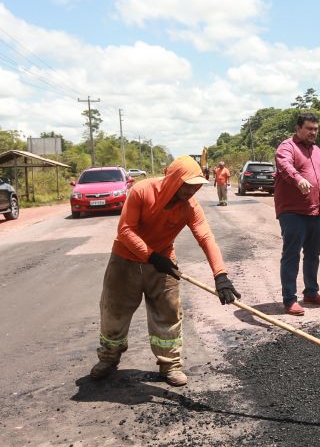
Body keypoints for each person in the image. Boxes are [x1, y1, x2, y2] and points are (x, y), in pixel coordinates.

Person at [89, 155, 241, 386]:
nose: (192, 191)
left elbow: (205, 237)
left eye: (196, 186)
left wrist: (221, 276)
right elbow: (125, 231)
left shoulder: (189, 207)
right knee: (114, 312)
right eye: (188, 185)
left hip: (163, 264)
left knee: (168, 313)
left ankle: (170, 365)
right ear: (174, 180)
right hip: (125, 260)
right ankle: (109, 358)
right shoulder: (142, 191)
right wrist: (151, 256)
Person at [274, 112, 320, 316]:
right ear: (298, 128)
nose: (313, 132)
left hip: (315, 212)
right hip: (293, 212)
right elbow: (284, 165)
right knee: (291, 255)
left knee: (313, 254)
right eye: (309, 128)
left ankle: (311, 292)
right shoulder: (287, 146)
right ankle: (290, 299)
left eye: (316, 129)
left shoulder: (316, 150)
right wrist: (298, 179)